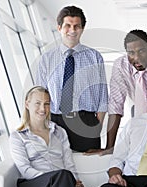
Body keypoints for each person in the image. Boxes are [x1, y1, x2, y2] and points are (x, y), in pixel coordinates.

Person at [86, 29, 147, 155]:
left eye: (141, 51)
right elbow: (115, 105)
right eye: (131, 53)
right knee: (137, 152)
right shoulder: (121, 66)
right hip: (138, 111)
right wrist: (110, 147)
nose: (137, 58)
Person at [36, 5, 108, 152]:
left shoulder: (94, 57)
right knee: (58, 166)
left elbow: (102, 96)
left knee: (88, 168)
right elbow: (40, 95)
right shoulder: (47, 59)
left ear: (82, 28)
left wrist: (96, 126)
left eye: (77, 26)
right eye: (68, 25)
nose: (72, 30)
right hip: (55, 122)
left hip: (85, 120)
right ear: (59, 28)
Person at [9, 86, 84, 187]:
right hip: (31, 186)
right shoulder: (18, 136)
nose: (43, 109)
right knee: (62, 176)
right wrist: (54, 179)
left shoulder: (60, 132)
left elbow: (69, 163)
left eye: (47, 104)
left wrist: (74, 180)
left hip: (58, 186)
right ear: (27, 104)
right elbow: (25, 170)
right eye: (37, 103)